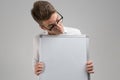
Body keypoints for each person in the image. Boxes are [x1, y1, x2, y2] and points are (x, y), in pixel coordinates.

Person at [31, 0, 94, 76]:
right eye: (51, 26)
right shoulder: (39, 39)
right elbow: (35, 64)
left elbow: (81, 63)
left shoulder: (76, 34)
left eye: (58, 20)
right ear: (42, 27)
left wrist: (87, 67)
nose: (58, 26)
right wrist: (36, 68)